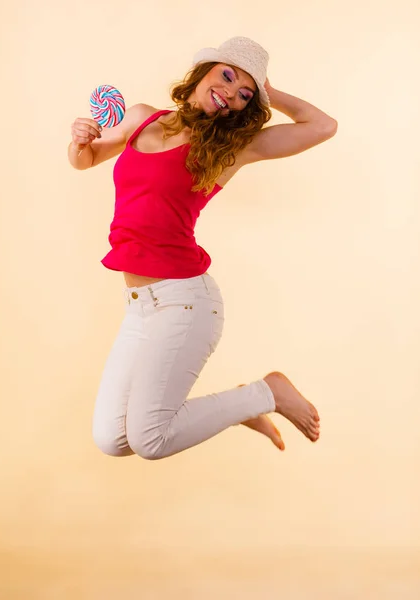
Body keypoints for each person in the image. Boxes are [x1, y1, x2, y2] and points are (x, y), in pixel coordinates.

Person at [68, 36, 337, 460]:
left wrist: (270, 91)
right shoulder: (139, 118)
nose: (231, 92)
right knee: (111, 439)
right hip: (139, 306)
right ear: (203, 71)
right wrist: (79, 138)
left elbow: (323, 127)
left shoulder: (230, 149)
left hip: (185, 302)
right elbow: (84, 159)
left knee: (149, 440)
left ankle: (266, 393)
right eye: (226, 75)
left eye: (244, 94)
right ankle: (240, 405)